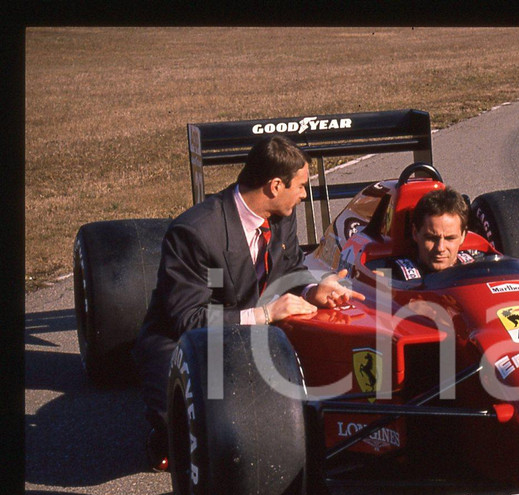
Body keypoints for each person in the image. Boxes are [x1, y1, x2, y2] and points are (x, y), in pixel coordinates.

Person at [133, 134, 362, 471]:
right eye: (301, 185)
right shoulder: (195, 232)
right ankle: (162, 433)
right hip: (186, 340)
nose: (304, 194)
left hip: (251, 327)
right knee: (196, 433)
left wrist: (312, 290)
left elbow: (290, 269)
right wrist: (265, 314)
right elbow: (189, 320)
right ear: (275, 186)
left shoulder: (282, 215)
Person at [386, 186, 484, 280]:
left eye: (450, 238)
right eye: (431, 238)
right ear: (415, 233)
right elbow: (381, 290)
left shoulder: (480, 265)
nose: (440, 248)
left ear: (463, 236)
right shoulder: (388, 275)